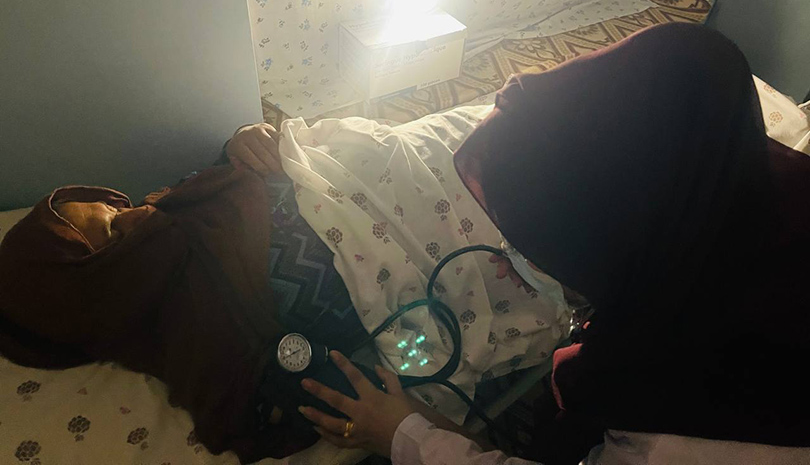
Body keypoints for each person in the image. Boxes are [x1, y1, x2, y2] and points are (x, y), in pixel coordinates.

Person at [297, 23, 810, 464]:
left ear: (618, 245)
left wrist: (404, 435)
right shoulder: (737, 183)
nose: (508, 260)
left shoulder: (667, 433)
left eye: (543, 248)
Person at [0, 123, 368, 461]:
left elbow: (228, 163)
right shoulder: (205, 339)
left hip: (358, 162)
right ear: (104, 288)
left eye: (114, 207)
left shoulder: (172, 203)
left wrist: (242, 140)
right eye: (114, 231)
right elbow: (278, 404)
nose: (137, 212)